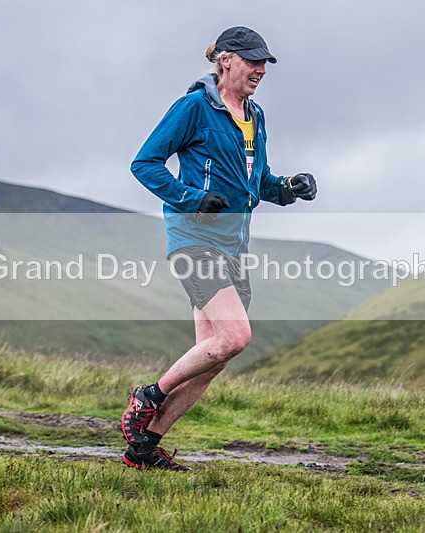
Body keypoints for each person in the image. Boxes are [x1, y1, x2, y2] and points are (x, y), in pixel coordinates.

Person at [121, 26, 317, 471]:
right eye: (252, 61)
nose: (261, 70)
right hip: (194, 240)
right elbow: (144, 163)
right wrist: (192, 198)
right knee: (236, 337)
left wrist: (289, 188)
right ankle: (146, 397)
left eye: (265, 62)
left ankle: (144, 449)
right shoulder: (194, 107)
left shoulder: (255, 115)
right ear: (226, 60)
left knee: (212, 358)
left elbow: (258, 181)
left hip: (234, 246)